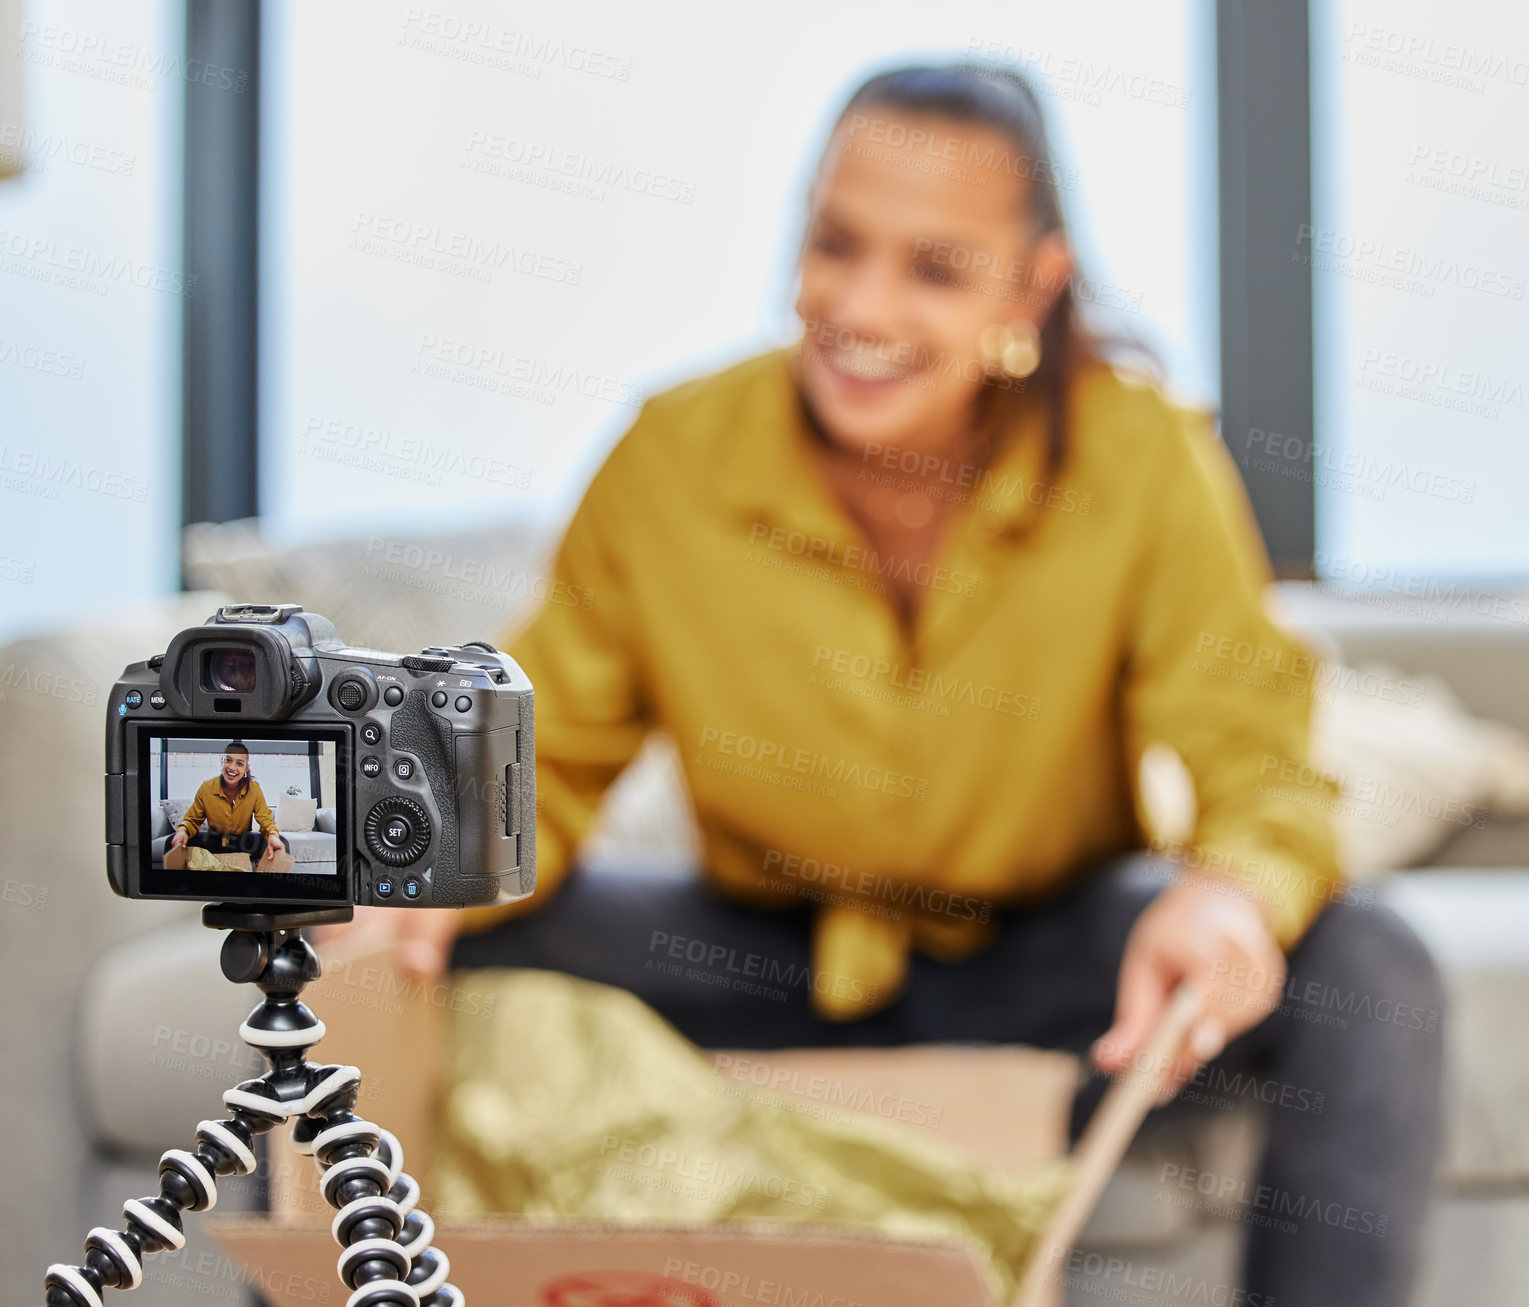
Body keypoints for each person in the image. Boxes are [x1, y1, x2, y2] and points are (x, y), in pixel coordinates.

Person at [331, 63, 1442, 1304]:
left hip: (1041, 961)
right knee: (410, 937)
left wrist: (1234, 891)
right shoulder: (671, 454)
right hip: (758, 955)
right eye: (835, 244)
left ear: (1032, 286)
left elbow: (1256, 749)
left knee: (1367, 966)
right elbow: (547, 746)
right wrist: (419, 878)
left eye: (933, 268)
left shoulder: (1140, 459)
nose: (860, 305)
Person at [170, 741, 289, 867]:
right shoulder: (206, 788)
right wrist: (182, 830)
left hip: (242, 842)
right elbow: (192, 820)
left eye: (239, 763)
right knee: (172, 842)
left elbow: (265, 819)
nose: (232, 767)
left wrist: (272, 835)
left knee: (282, 843)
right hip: (214, 840)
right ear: (222, 762)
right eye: (228, 760)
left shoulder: (254, 789)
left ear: (245, 769)